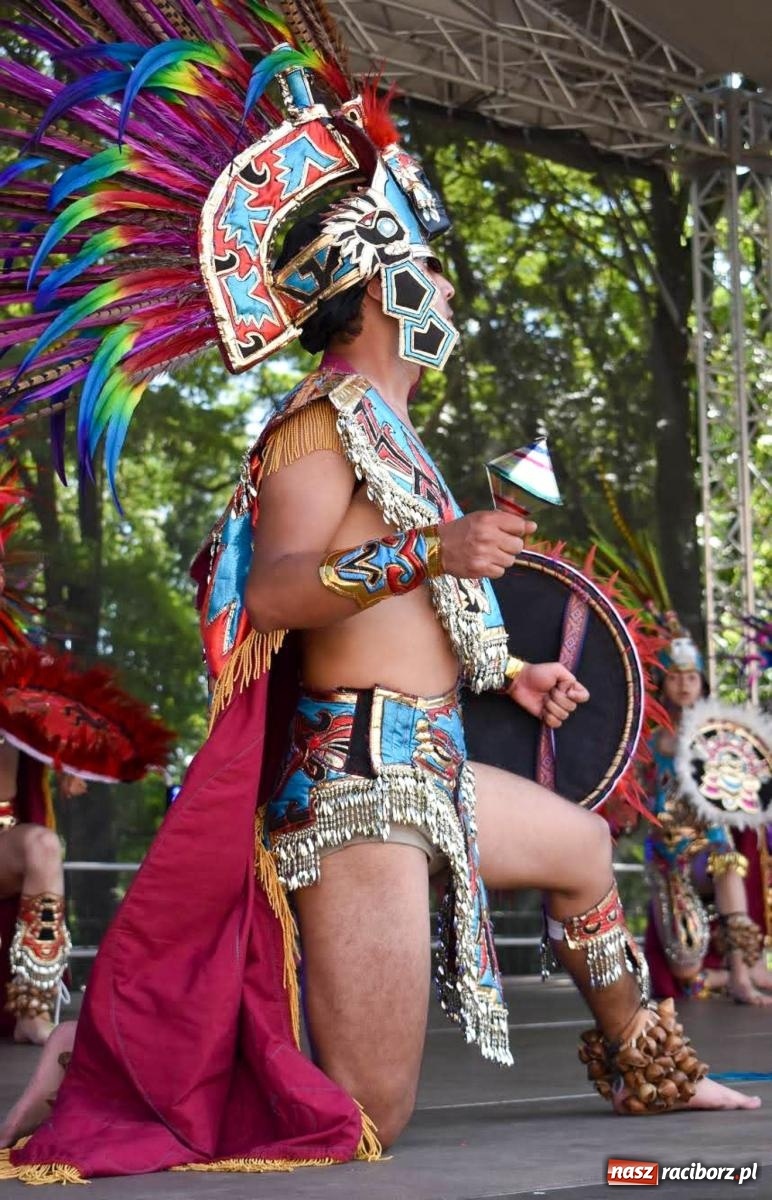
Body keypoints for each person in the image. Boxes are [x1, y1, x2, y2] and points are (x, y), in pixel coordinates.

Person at [0, 3, 757, 1184]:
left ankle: (658, 1072)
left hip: (437, 760)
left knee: (573, 848)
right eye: (434, 276)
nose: (451, 294)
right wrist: (429, 554)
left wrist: (511, 670)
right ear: (384, 289)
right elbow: (283, 596)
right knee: (368, 1116)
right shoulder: (315, 427)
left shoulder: (400, 436)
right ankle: (128, 1049)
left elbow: (414, 615)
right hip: (356, 784)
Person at [643, 631, 772, 1005]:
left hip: (708, 844)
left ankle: (744, 975)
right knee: (686, 973)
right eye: (675, 676)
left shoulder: (718, 736)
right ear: (663, 682)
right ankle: (727, 977)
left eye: (692, 676)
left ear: (702, 683)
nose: (684, 684)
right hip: (668, 858)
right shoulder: (647, 741)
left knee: (728, 860)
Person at [0, 740, 74, 1046]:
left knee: (43, 846)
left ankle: (32, 1009)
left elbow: (5, 791)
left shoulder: (17, 706)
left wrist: (65, 763)